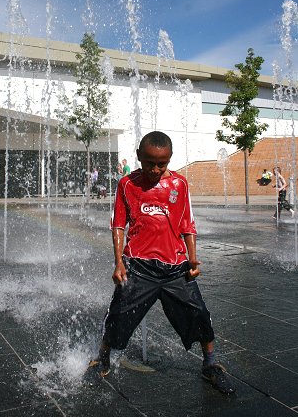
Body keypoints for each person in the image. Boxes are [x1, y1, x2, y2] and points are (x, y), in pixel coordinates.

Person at [89, 131, 236, 395]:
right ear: (139, 158)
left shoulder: (179, 184)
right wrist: (118, 263)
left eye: (162, 164)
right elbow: (118, 225)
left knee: (199, 313)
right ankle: (103, 357)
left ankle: (211, 364)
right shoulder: (127, 184)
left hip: (175, 267)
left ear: (169, 160)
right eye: (149, 163)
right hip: (139, 266)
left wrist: (192, 257)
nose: (155, 169)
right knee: (118, 312)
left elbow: (188, 224)